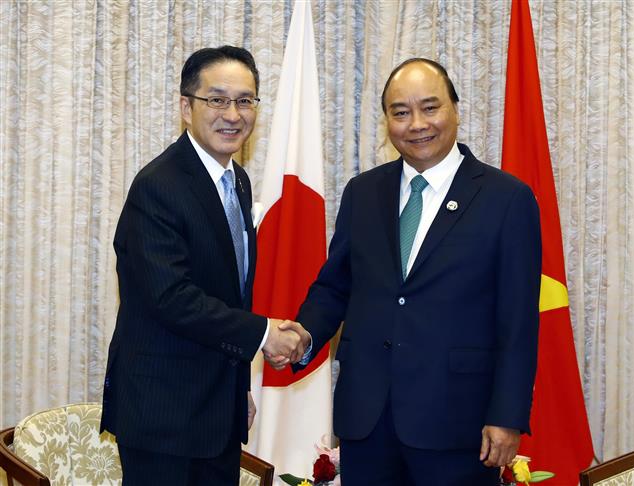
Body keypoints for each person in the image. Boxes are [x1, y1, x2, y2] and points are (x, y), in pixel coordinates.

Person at [285, 58, 542, 485]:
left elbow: (518, 321)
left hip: (458, 424)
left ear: (456, 109)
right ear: (387, 120)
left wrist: (508, 416)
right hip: (367, 420)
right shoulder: (363, 192)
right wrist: (304, 334)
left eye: (430, 107)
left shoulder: (507, 199)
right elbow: (335, 286)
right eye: (400, 112)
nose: (417, 123)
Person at [100, 46, 307, 486]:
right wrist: (265, 334)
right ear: (185, 107)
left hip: (216, 411)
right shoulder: (159, 186)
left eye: (245, 100)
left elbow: (228, 294)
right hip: (164, 418)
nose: (233, 114)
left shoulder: (238, 180)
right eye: (217, 99)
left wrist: (239, 390)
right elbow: (171, 298)